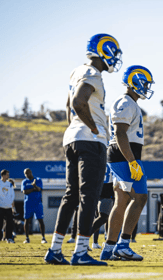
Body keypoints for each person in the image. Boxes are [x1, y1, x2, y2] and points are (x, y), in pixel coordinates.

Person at [45, 33, 122, 266]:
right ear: (104, 50)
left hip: (72, 138)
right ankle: (80, 252)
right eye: (113, 53)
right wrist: (94, 129)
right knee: (89, 197)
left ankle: (55, 249)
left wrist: (76, 127)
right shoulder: (93, 74)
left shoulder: (76, 71)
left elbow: (69, 106)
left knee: (71, 195)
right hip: (90, 140)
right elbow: (78, 102)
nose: (115, 58)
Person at [100, 65, 155, 261]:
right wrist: (132, 161)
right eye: (145, 83)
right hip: (123, 155)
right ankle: (123, 245)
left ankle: (108, 248)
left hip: (121, 155)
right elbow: (120, 132)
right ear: (135, 81)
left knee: (122, 201)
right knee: (140, 198)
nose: (147, 87)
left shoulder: (131, 103)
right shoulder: (125, 102)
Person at [90, 164, 115, 249]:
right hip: (106, 191)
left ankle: (105, 240)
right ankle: (84, 238)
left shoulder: (100, 158)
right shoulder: (110, 160)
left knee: (106, 217)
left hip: (99, 190)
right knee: (103, 217)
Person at [21, 168, 47, 244]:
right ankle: (27, 238)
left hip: (37, 203)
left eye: (28, 173)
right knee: (27, 220)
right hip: (28, 203)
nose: (27, 175)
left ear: (31, 172)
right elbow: (25, 192)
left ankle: (43, 238)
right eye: (25, 173)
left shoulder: (38, 179)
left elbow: (39, 189)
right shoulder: (24, 181)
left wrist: (34, 185)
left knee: (40, 220)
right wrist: (33, 188)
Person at [0, 169, 16, 244]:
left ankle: (9, 238)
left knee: (9, 223)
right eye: (7, 174)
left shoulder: (10, 184)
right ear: (3, 175)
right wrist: (1, 202)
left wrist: (9, 202)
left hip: (8, 207)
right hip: (0, 206)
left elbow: (12, 194)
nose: (8, 176)